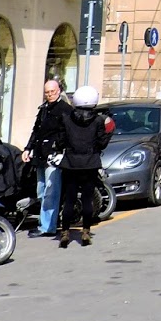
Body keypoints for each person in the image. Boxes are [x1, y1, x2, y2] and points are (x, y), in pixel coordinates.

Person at [58, 86, 113, 247]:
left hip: (70, 163)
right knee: (87, 199)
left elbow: (60, 142)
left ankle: (65, 232)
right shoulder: (98, 121)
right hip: (90, 163)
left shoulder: (66, 119)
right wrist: (109, 133)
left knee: (69, 199)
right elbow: (102, 144)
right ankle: (86, 232)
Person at [21, 78, 71, 237]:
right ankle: (45, 222)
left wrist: (58, 148)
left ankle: (48, 227)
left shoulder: (65, 109)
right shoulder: (44, 109)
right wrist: (28, 148)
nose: (49, 94)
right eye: (47, 92)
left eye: (52, 91)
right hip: (40, 155)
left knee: (51, 191)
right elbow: (36, 130)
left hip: (53, 156)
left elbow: (67, 133)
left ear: (59, 91)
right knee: (41, 191)